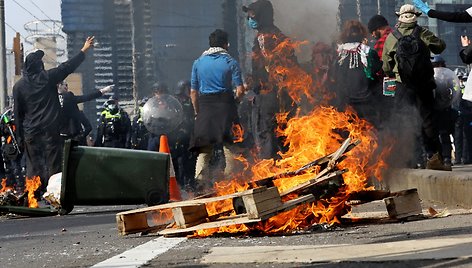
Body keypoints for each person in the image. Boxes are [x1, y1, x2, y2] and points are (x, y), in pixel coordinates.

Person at [13, 36, 95, 191]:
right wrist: (84, 50)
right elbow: (67, 67)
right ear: (38, 65)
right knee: (54, 166)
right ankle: (54, 195)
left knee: (33, 167)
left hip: (30, 133)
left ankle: (33, 196)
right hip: (50, 131)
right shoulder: (48, 77)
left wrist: (19, 138)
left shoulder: (19, 87)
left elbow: (18, 114)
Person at [382, 4, 446, 170]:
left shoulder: (392, 37)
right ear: (416, 16)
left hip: (402, 86)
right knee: (428, 122)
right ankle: (434, 159)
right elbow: (440, 46)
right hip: (424, 86)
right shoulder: (422, 33)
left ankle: (407, 160)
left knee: (403, 121)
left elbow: (386, 67)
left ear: (399, 17)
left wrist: (396, 73)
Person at [189, 29, 245, 192]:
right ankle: (230, 183)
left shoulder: (198, 63)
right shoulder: (231, 62)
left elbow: (193, 93)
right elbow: (240, 90)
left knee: (204, 150)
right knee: (230, 148)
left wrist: (198, 112)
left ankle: (200, 184)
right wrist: (234, 102)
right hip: (226, 106)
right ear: (225, 44)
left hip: (205, 108)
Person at [242, 0, 297, 160]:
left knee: (267, 136)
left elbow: (269, 67)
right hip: (284, 95)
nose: (249, 19)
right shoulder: (278, 34)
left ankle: (271, 173)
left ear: (261, 16)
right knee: (284, 137)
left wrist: (256, 82)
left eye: (252, 15)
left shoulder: (265, 38)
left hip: (270, 95)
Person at [329, 20, 382, 126]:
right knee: (369, 135)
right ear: (362, 33)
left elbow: (334, 76)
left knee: (350, 135)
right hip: (367, 103)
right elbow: (377, 70)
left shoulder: (339, 53)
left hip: (346, 104)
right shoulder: (368, 52)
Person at [57, 81, 113, 145]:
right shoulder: (68, 96)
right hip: (72, 135)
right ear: (59, 85)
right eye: (65, 85)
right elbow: (85, 98)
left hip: (59, 137)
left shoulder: (52, 99)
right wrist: (102, 91)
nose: (67, 87)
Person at [431, 55, 460, 171]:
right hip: (437, 108)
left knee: (443, 134)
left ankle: (446, 158)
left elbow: (453, 90)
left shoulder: (447, 76)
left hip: (443, 109)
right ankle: (441, 158)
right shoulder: (432, 75)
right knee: (440, 135)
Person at [367, 14, 395, 129]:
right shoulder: (398, 35)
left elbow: (379, 68)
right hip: (405, 86)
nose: (373, 35)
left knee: (387, 122)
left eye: (373, 32)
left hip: (388, 88)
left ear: (378, 28)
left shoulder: (382, 42)